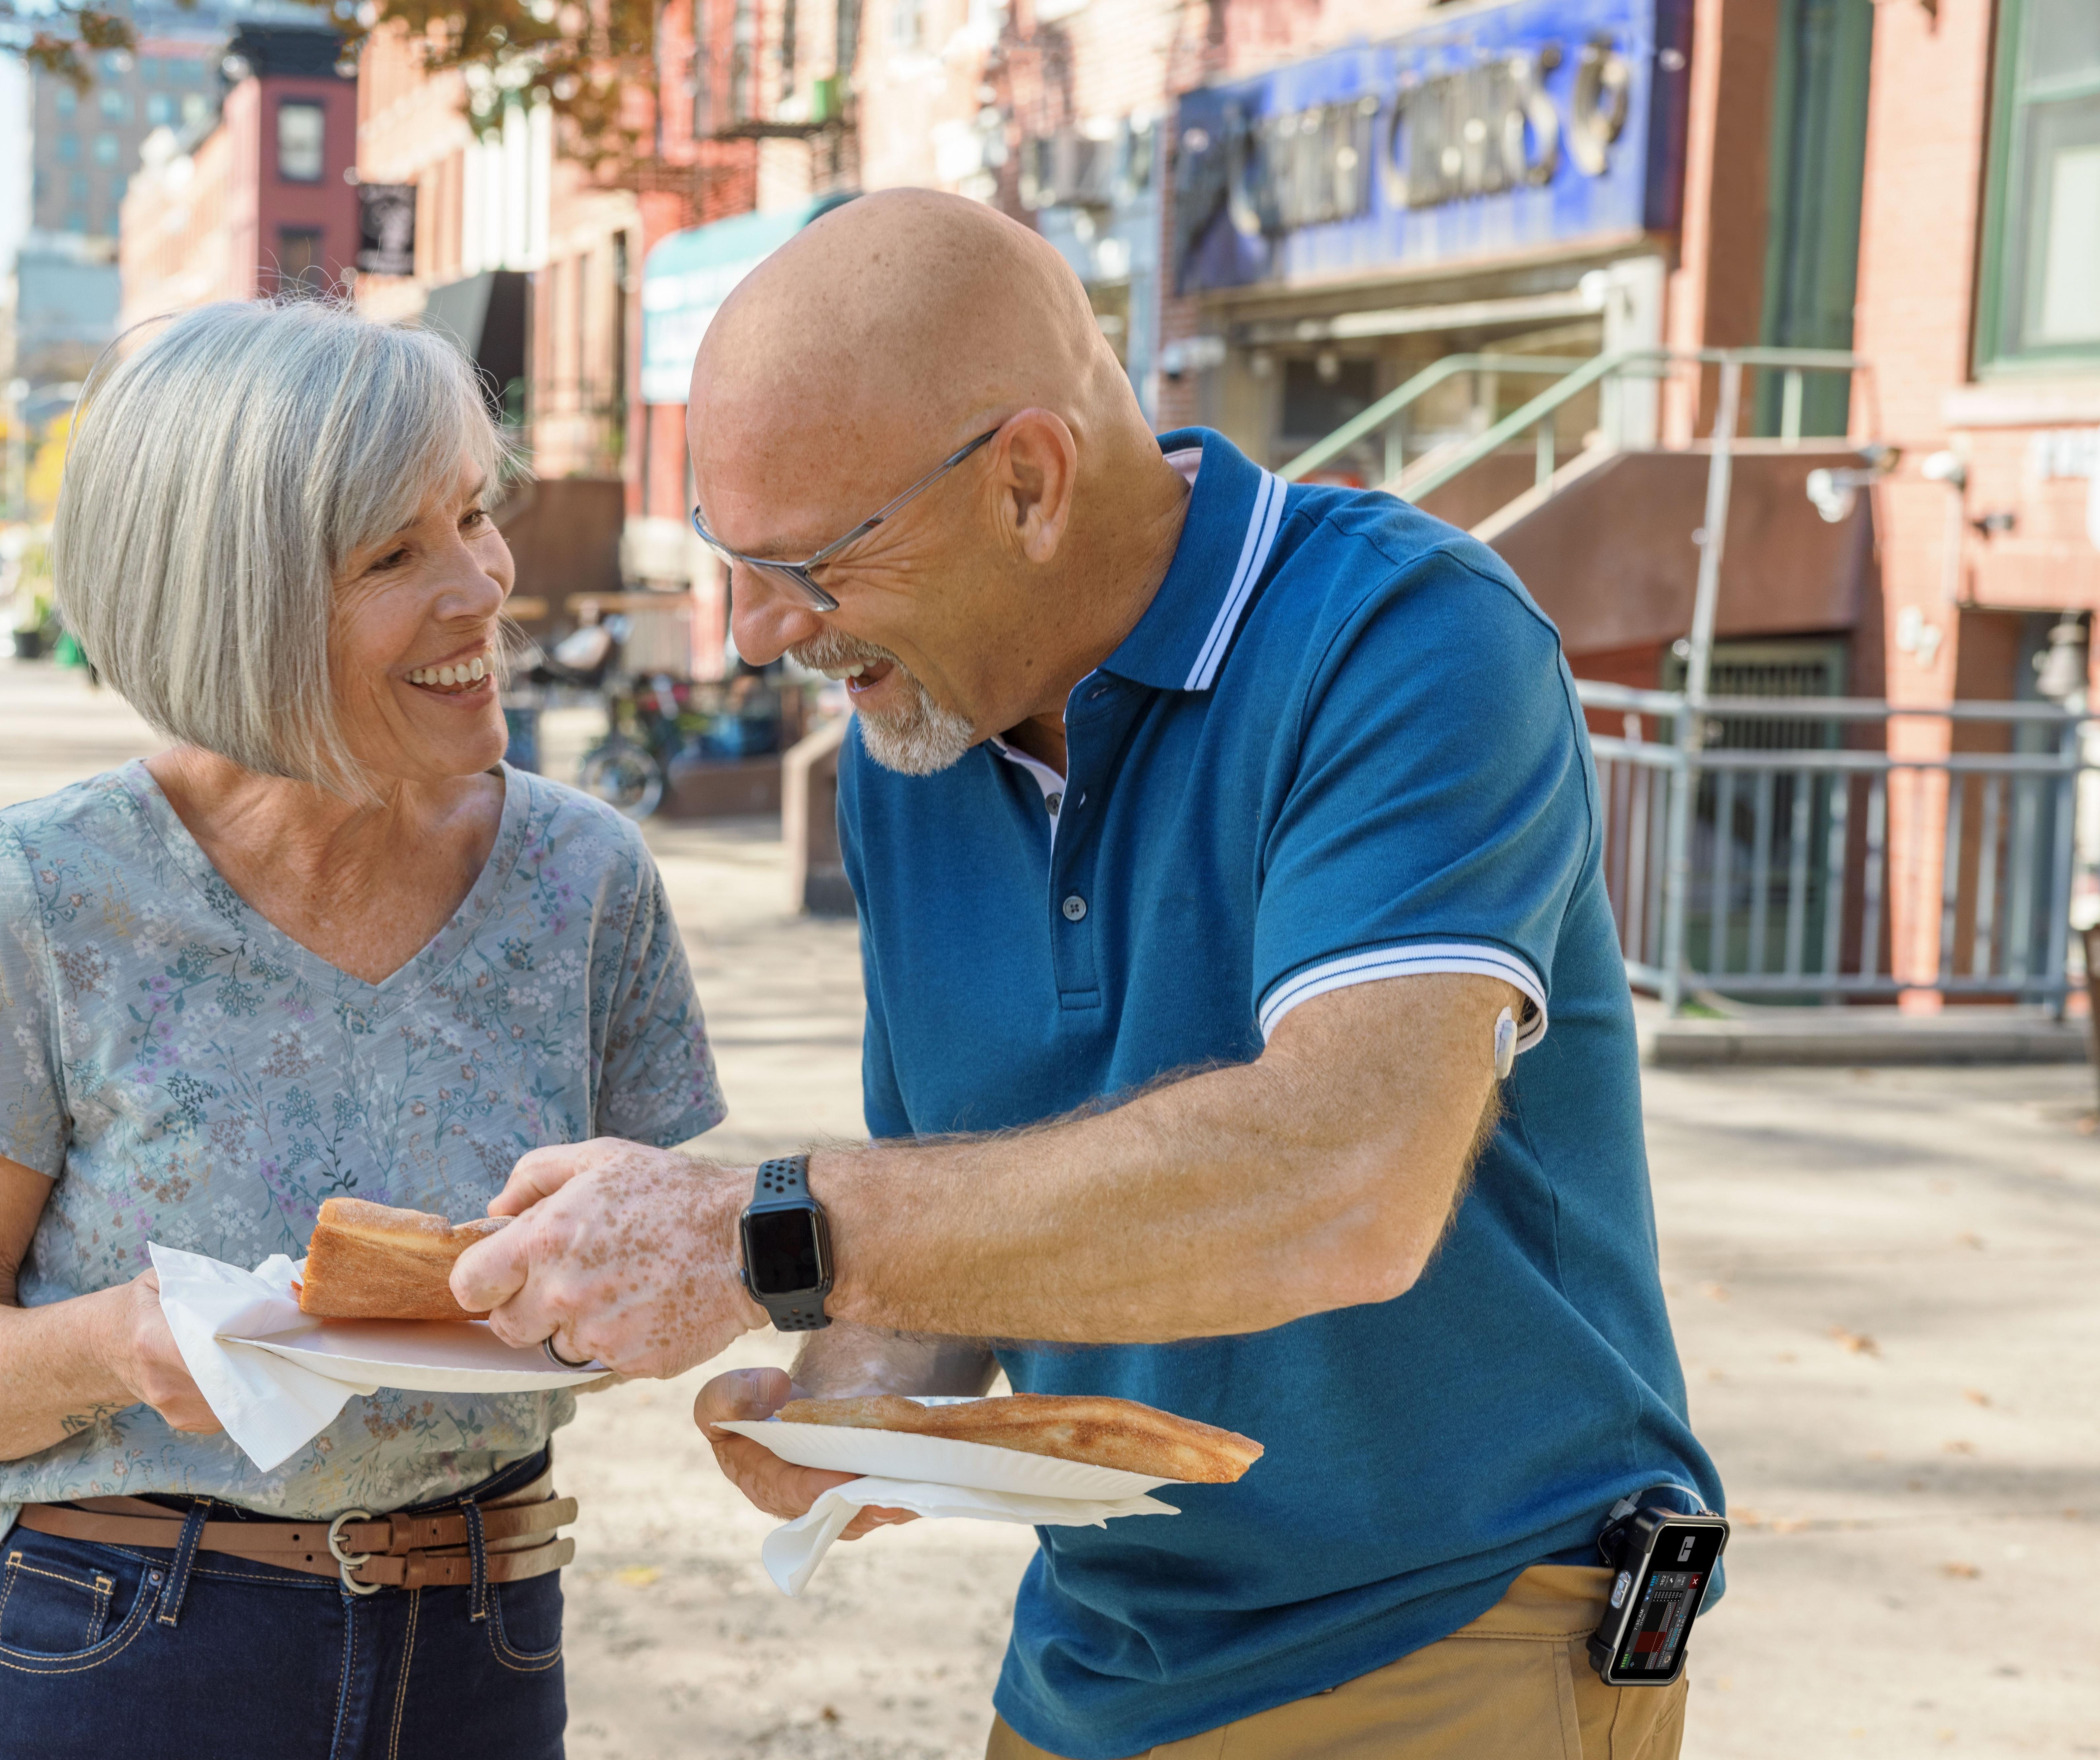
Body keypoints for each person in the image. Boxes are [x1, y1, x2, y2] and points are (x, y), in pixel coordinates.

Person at [450, 191, 1718, 1760]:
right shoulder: (904, 738)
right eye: (728, 556)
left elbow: (1345, 1174)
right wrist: (844, 1404)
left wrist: (758, 1230)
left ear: (1029, 484)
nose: (752, 628)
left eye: (805, 564)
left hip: (1462, 1618)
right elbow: (941, 1215)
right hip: (1098, 1651)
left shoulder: (1405, 638)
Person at [0, 300, 724, 1760]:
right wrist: (121, 1341)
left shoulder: (587, 879)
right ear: (233, 600)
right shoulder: (42, 893)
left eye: (473, 516)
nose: (483, 588)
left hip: (485, 1639)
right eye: (395, 554)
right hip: (125, 1634)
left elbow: (666, 1247)